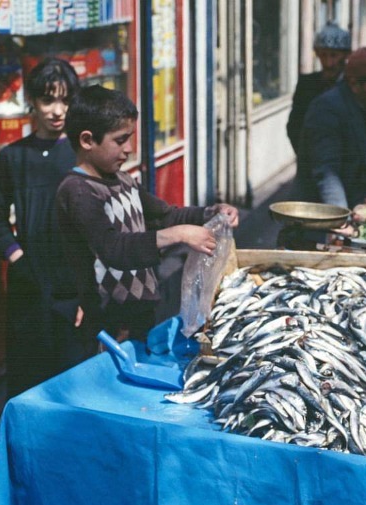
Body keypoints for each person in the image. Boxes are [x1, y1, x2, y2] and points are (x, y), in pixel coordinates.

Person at [56, 86, 239, 344]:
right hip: (108, 322)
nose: (129, 148)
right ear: (87, 141)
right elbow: (112, 248)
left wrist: (211, 212)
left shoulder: (123, 180)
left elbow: (165, 216)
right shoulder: (77, 191)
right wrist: (178, 235)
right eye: (120, 140)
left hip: (140, 312)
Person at [0, 57, 89, 398]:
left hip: (74, 288)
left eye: (66, 100)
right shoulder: (13, 157)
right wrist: (16, 256)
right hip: (28, 289)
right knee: (29, 386)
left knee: (74, 387)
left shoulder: (83, 155)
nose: (57, 110)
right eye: (48, 100)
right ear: (32, 101)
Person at [296, 47, 366, 210]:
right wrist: (340, 220)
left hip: (358, 206)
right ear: (354, 84)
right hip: (319, 216)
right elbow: (327, 173)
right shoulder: (327, 109)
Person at [286, 22, 351, 156]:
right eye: (323, 55)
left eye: (334, 55)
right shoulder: (307, 85)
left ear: (346, 55)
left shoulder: (353, 86)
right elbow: (294, 126)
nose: (328, 63)